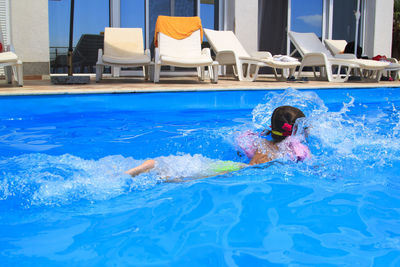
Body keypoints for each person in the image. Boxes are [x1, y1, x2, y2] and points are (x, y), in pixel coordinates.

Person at [125, 105, 309, 178]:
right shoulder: (296, 149)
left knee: (193, 168)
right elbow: (309, 165)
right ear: (297, 132)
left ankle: (155, 164)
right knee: (182, 179)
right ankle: (156, 168)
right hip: (244, 172)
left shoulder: (260, 141)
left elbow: (241, 146)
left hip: (235, 165)